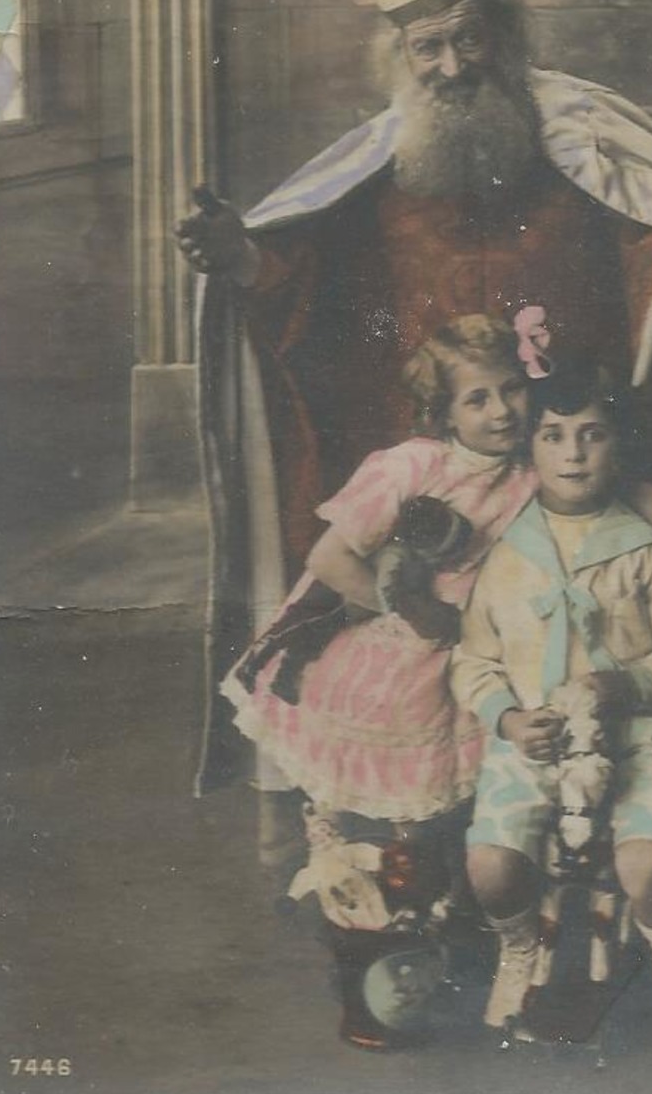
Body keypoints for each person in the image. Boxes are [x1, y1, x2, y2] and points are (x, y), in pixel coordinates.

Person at [179, 0, 652, 801]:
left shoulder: (577, 133)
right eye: (428, 47)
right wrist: (239, 255)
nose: (451, 63)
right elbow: (305, 275)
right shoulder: (383, 164)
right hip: (438, 474)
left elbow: (642, 242)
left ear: (501, 33)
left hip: (566, 454)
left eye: (467, 37)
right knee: (437, 657)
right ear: (400, 58)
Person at [451, 363, 652, 1055]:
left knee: (645, 864)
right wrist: (510, 720)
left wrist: (629, 684)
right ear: (530, 448)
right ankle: (518, 948)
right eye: (553, 435)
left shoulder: (639, 546)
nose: (572, 453)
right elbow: (472, 659)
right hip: (536, 743)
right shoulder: (506, 548)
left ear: (617, 444)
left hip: (635, 741)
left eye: (591, 434)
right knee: (489, 864)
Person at [219, 314, 537, 828]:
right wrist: (409, 612)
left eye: (512, 390)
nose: (502, 411)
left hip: (471, 644)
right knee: (390, 799)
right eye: (477, 400)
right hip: (400, 640)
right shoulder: (414, 466)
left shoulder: (528, 474)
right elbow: (328, 559)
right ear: (447, 414)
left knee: (467, 796)